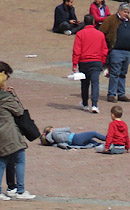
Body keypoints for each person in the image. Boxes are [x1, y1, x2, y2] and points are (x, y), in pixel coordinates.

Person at [0, 62, 35, 201]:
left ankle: (11, 188)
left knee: (3, 161)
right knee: (20, 158)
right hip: (8, 132)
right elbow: (19, 111)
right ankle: (20, 190)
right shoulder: (6, 98)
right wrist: (12, 96)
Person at [100, 3, 130, 102]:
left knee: (123, 74)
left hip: (127, 52)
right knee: (115, 73)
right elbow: (101, 33)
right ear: (119, 11)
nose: (126, 14)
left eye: (128, 12)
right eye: (125, 12)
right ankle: (111, 94)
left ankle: (121, 94)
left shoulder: (129, 22)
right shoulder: (110, 20)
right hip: (116, 51)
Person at [73, 15, 108, 114]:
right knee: (95, 83)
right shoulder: (100, 34)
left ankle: (85, 103)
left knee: (84, 83)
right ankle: (94, 105)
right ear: (93, 22)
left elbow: (77, 50)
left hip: (84, 61)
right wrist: (102, 61)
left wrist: (75, 64)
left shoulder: (80, 34)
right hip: (96, 61)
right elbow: (104, 50)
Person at [40, 125, 107, 149]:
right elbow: (67, 128)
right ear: (51, 130)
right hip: (76, 137)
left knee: (89, 140)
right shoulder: (54, 132)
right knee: (93, 133)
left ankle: (101, 145)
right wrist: (56, 129)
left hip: (74, 142)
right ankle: (107, 139)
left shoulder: (53, 142)